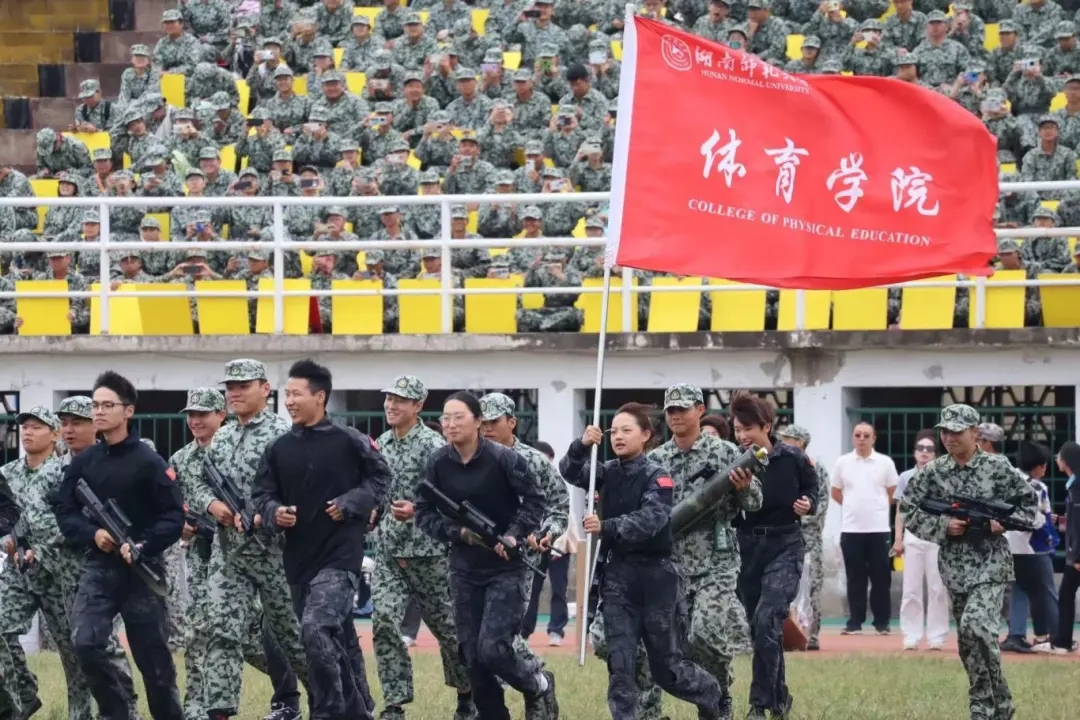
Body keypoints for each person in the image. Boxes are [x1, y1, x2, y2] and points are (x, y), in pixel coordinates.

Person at [561, 404, 724, 720]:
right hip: (617, 577)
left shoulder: (657, 477)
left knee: (667, 669)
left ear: (646, 435)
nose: (618, 437)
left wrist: (606, 526)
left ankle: (710, 694)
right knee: (620, 663)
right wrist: (581, 445)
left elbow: (651, 519)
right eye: (613, 431)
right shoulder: (604, 471)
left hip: (656, 578)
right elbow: (569, 470)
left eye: (627, 430)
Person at [252, 359, 392, 720]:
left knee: (315, 630)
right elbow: (262, 495)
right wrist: (275, 512)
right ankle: (357, 712)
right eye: (287, 395)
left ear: (320, 396)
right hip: (299, 562)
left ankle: (327, 712)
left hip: (340, 557)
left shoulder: (350, 441)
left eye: (296, 394)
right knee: (336, 640)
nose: (289, 401)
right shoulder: (278, 448)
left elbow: (381, 479)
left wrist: (352, 503)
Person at [414, 391, 556, 720]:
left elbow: (535, 501)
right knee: (471, 655)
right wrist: (459, 533)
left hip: (505, 566)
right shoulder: (438, 462)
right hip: (464, 568)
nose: (451, 424)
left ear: (478, 421)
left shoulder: (504, 458)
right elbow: (423, 512)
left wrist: (513, 534)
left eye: (459, 417)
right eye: (446, 418)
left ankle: (538, 684)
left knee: (493, 649)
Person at [51, 371, 185, 720]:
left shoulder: (150, 462)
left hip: (141, 571)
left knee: (154, 663)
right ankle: (116, 712)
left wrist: (144, 542)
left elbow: (173, 516)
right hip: (99, 568)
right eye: (95, 405)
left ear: (128, 411)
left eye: (107, 405)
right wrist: (92, 534)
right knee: (85, 642)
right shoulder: (84, 461)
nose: (99, 411)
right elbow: (65, 510)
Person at [185, 359, 311, 720]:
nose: (235, 393)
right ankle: (219, 711)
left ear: (265, 389)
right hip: (229, 555)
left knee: (292, 637)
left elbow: (301, 490)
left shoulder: (284, 435)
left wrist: (264, 514)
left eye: (244, 386)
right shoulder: (222, 437)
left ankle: (333, 701)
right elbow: (197, 480)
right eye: (231, 387)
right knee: (221, 631)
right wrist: (212, 505)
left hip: (276, 555)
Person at [900, 404, 1041, 719]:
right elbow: (908, 510)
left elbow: (1029, 506)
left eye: (957, 432)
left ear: (975, 433)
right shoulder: (934, 471)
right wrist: (943, 526)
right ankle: (987, 704)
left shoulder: (997, 467)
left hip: (991, 562)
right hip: (954, 566)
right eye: (945, 432)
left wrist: (1003, 523)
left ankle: (995, 704)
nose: (949, 438)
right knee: (968, 641)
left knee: (976, 626)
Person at [369, 375, 475, 720]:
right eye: (389, 398)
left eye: (400, 400)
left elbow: (456, 499)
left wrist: (418, 510)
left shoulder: (436, 447)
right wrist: (372, 513)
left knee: (448, 630)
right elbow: (377, 491)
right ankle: (395, 703)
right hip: (389, 552)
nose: (391, 405)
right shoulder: (380, 444)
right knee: (384, 621)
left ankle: (467, 693)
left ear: (418, 406)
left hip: (430, 554)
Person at [730, 391, 817, 720]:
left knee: (768, 618)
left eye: (748, 429)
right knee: (760, 628)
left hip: (785, 544)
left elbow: (812, 489)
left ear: (766, 426)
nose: (742, 436)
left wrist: (808, 503)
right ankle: (779, 699)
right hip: (747, 549)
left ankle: (759, 705)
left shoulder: (793, 457)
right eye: (737, 429)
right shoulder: (734, 461)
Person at [0, 408, 91, 720]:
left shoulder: (66, 472)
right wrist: (9, 542)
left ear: (54, 434)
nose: (27, 432)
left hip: (59, 572)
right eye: (24, 427)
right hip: (19, 572)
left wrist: (40, 547)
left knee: (73, 652)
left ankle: (81, 714)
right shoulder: (7, 474)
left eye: (37, 427)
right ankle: (23, 694)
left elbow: (73, 521)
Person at [478, 391, 568, 683]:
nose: (487, 428)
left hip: (517, 560)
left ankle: (533, 680)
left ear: (512, 422)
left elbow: (558, 505)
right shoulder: (467, 458)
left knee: (503, 631)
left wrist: (545, 533)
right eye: (482, 422)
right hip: (472, 556)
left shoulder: (534, 461)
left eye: (494, 422)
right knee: (471, 632)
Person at [831, 422, 898, 635]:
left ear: (874, 438)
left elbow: (893, 492)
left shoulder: (885, 463)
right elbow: (836, 492)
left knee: (881, 577)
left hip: (879, 529)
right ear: (853, 437)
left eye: (866, 435)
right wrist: (852, 506)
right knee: (855, 578)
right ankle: (854, 621)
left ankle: (882, 622)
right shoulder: (842, 462)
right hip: (851, 530)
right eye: (858, 435)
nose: (861, 439)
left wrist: (877, 507)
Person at [893, 430, 949, 651]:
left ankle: (937, 637)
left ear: (935, 454)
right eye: (920, 448)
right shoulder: (905, 477)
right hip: (913, 536)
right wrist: (898, 538)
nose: (924, 453)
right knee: (911, 589)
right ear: (914, 452)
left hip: (936, 537)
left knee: (937, 589)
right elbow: (900, 510)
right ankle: (911, 635)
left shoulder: (943, 476)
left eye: (929, 449)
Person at [777, 424, 830, 652]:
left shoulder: (816, 469)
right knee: (785, 585)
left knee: (813, 585)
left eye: (788, 439)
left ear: (800, 443)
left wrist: (799, 516)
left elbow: (821, 503)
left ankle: (813, 634)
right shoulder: (779, 465)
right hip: (784, 535)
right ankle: (787, 632)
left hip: (810, 537)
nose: (783, 442)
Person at [1003, 442, 1059, 654]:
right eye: (1043, 466)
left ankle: (1015, 634)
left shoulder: (1008, 481)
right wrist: (1050, 535)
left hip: (1010, 545)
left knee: (1018, 589)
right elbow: (1039, 519)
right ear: (1037, 467)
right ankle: (1057, 635)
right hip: (1033, 547)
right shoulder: (1038, 487)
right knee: (1047, 590)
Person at [1042, 441, 1080, 655]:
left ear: (1066, 460)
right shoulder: (1072, 485)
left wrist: (1077, 555)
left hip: (1077, 554)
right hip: (1075, 552)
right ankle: (1062, 640)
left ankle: (1063, 641)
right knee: (1066, 594)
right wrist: (1062, 520)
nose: (1056, 459)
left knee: (1066, 594)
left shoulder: (1076, 487)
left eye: (1059, 456)